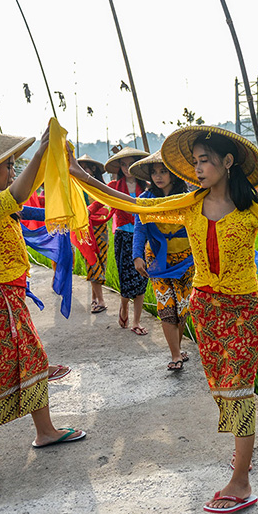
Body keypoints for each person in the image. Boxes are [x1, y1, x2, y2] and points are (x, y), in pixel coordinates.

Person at [69, 126, 258, 514]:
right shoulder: (189, 203)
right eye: (195, 162)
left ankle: (241, 480)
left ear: (227, 163)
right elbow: (139, 208)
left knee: (240, 392)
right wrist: (80, 175)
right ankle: (241, 453)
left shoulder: (252, 208)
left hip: (241, 311)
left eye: (205, 161)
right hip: (206, 311)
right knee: (221, 389)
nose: (198, 168)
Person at [0, 128, 85, 487]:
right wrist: (40, 153)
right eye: (7, 165)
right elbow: (19, 192)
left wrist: (49, 153)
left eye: (11, 166)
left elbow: (22, 188)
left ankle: (46, 431)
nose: (10, 171)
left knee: (35, 360)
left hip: (9, 299)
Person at [130, 151, 194, 371]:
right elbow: (139, 228)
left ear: (173, 174)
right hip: (157, 260)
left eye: (163, 171)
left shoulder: (186, 198)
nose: (158, 176)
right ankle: (175, 354)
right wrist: (137, 256)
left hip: (185, 259)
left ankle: (178, 347)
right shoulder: (146, 200)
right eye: (154, 172)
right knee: (166, 306)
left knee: (183, 308)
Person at [104, 146, 150, 334]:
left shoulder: (146, 189)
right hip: (123, 235)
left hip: (143, 236)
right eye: (123, 164)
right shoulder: (114, 187)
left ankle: (136, 322)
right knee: (126, 276)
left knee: (141, 278)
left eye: (130, 164)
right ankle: (124, 305)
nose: (126, 168)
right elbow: (97, 202)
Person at [77, 155, 111, 314]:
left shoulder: (98, 186)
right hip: (83, 228)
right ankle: (101, 300)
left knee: (100, 260)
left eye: (86, 167)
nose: (83, 170)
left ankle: (95, 297)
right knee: (91, 260)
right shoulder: (76, 187)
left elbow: (102, 200)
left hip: (100, 226)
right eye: (80, 167)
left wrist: (89, 210)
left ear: (93, 170)